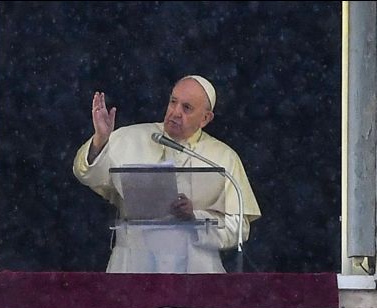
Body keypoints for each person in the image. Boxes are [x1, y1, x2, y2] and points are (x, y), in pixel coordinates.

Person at [73, 75, 261, 273]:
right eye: (173, 102)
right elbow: (86, 175)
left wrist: (195, 218)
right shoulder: (129, 137)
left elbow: (239, 227)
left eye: (186, 108)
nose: (175, 112)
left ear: (205, 118)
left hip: (195, 270)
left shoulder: (223, 157)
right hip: (133, 265)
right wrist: (101, 140)